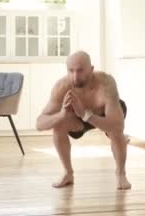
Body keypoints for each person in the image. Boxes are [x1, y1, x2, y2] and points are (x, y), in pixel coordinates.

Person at [35, 51, 131, 190]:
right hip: (77, 119)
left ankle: (121, 174)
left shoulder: (106, 83)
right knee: (58, 126)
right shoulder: (61, 87)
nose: (75, 76)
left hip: (103, 115)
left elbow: (117, 124)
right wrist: (61, 115)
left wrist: (86, 114)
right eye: (71, 71)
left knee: (116, 133)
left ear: (91, 69)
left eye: (80, 70)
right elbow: (39, 124)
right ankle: (68, 173)